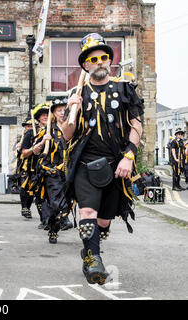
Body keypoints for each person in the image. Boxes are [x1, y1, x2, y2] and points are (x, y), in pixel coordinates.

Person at [61, 33, 144, 285]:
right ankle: (93, 260)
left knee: (104, 220)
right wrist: (71, 108)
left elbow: (137, 125)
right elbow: (67, 135)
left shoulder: (124, 89)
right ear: (86, 64)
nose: (99, 61)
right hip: (85, 163)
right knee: (87, 210)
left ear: (110, 60)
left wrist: (129, 156)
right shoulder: (77, 93)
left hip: (116, 162)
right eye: (93, 58)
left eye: (103, 57)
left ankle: (89, 248)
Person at [32, 98, 73, 244]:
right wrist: (43, 141)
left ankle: (54, 228)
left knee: (68, 202)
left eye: (64, 110)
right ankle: (61, 223)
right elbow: (35, 151)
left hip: (70, 172)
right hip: (52, 172)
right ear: (53, 114)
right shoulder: (47, 130)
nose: (62, 113)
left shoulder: (73, 127)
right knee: (56, 201)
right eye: (59, 110)